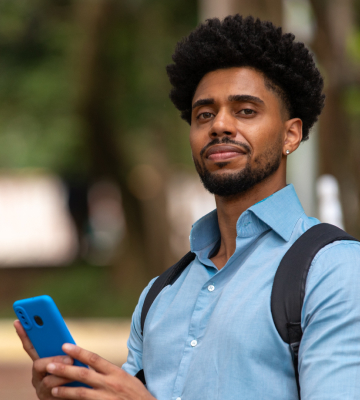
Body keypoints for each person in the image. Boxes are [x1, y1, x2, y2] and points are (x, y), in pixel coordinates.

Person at [14, 14, 360, 400]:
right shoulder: (159, 295)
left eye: (245, 110)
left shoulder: (334, 271)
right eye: (204, 114)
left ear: (290, 134)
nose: (220, 126)